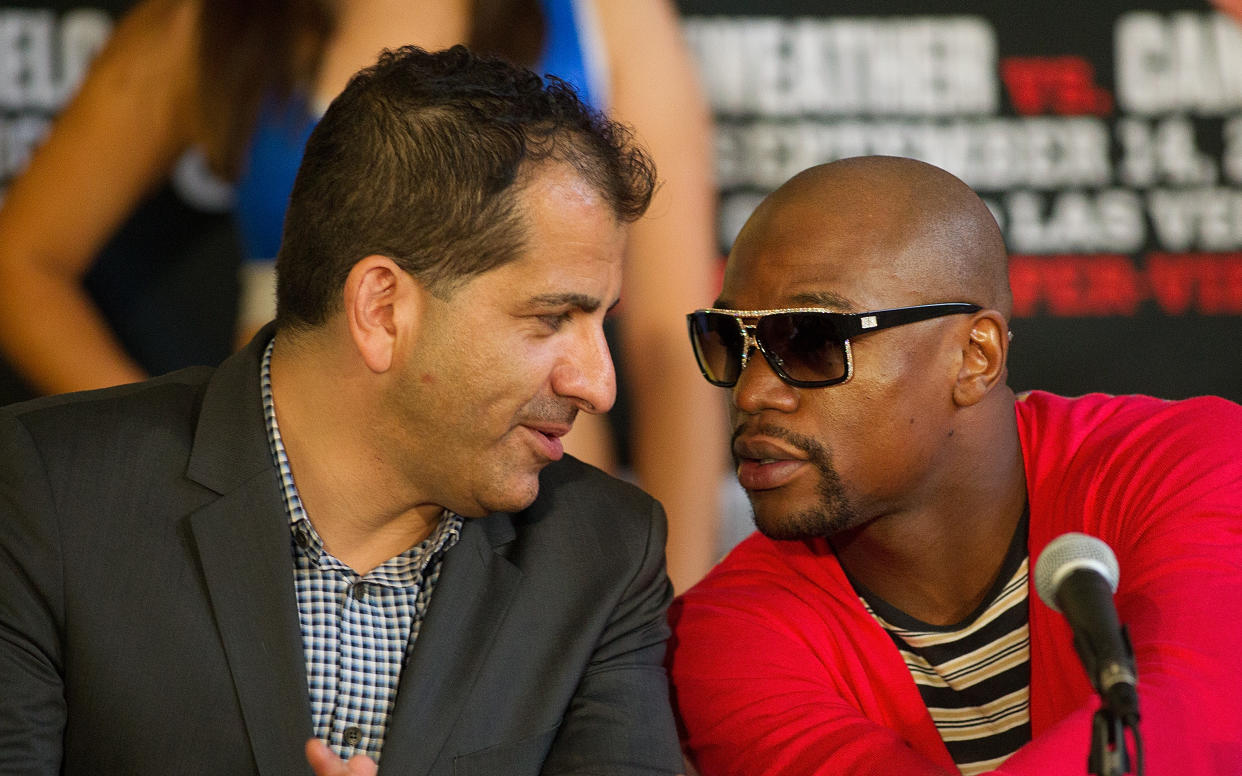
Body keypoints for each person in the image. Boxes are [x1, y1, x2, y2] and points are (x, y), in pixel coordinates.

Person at [0, 45, 685, 775]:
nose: (600, 386)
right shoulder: (51, 499)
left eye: (602, 321)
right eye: (552, 319)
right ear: (383, 310)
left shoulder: (604, 555)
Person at [0, 0, 726, 594]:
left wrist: (676, 594)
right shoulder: (213, 22)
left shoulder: (606, 16)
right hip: (285, 510)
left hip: (541, 512)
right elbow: (21, 261)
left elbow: (671, 335)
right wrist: (171, 454)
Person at [666, 156, 1242, 775]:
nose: (751, 394)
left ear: (975, 356)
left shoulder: (1190, 463)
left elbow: (1190, 722)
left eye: (811, 342)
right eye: (730, 342)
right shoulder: (723, 635)